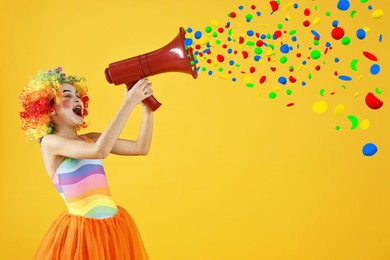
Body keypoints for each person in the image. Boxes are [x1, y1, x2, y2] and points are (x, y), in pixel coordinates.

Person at [19, 67, 153, 259]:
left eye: (78, 96)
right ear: (49, 108)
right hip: (81, 237)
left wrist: (146, 109)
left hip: (112, 230)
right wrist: (128, 102)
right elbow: (100, 151)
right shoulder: (50, 144)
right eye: (67, 95)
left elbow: (141, 147)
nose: (76, 99)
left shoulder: (91, 139)